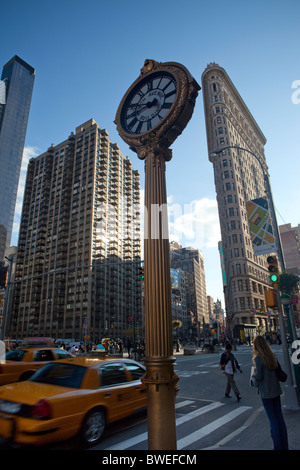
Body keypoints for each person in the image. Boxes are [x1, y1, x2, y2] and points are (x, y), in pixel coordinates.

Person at [252, 335, 288, 450]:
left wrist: (253, 379)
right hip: (276, 391)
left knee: (273, 421)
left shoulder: (258, 358)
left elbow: (259, 376)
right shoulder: (272, 355)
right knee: (279, 419)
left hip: (266, 393)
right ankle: (284, 446)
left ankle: (277, 447)